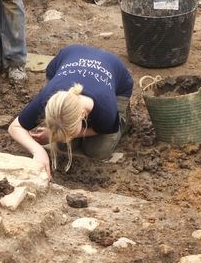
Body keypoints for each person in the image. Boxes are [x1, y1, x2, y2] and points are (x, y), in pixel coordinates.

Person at [8, 44, 134, 176]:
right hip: (70, 54)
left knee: (97, 151)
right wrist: (38, 151)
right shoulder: (48, 98)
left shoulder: (106, 107)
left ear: (83, 115)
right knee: (63, 144)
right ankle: (70, 132)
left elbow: (102, 129)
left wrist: (54, 135)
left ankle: (123, 118)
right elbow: (14, 127)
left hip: (118, 82)